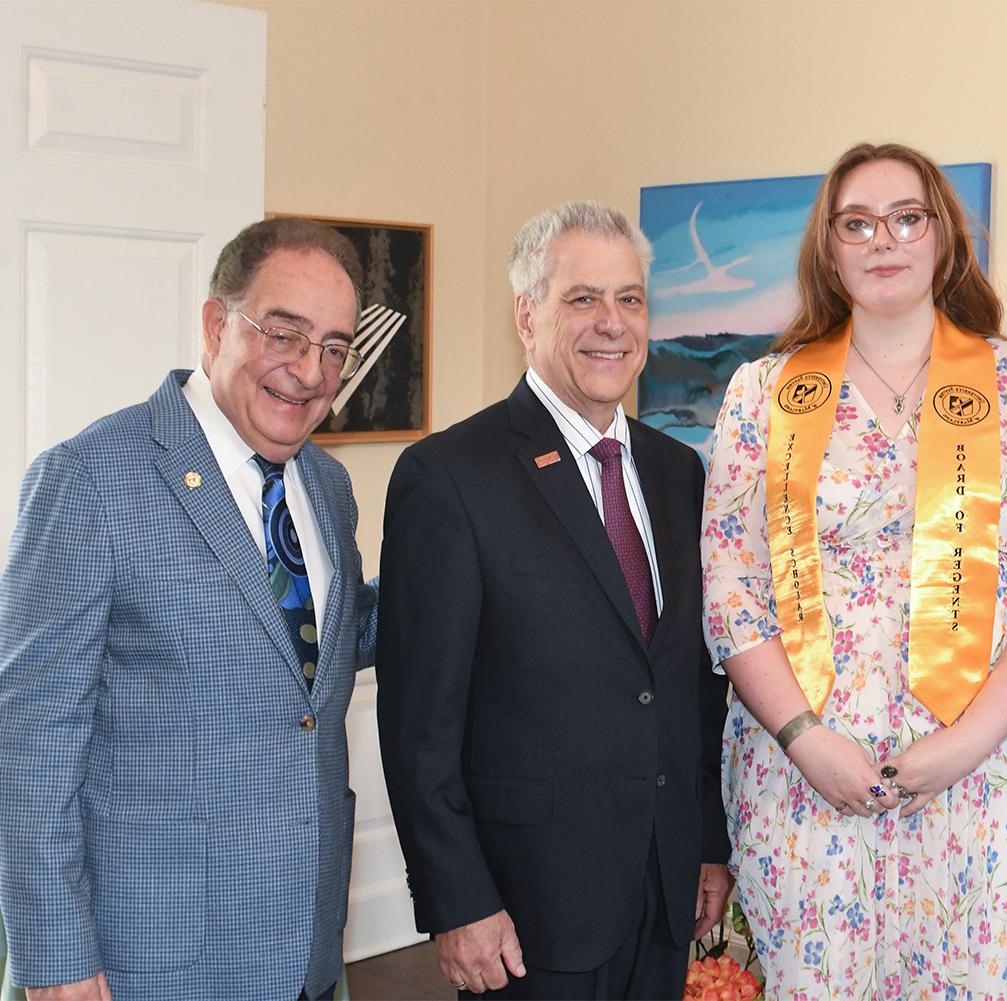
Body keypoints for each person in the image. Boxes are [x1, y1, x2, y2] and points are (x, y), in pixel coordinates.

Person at [701, 142, 1007, 999]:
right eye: (857, 223)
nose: (884, 240)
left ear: (942, 236)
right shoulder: (760, 395)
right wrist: (806, 739)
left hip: (983, 778)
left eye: (906, 217)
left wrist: (964, 745)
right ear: (829, 248)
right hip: (805, 777)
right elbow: (732, 592)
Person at [0, 218, 379, 1001]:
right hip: (147, 961)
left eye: (335, 347)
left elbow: (318, 648)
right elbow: (30, 743)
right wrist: (57, 960)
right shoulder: (89, 479)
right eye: (285, 333)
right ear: (215, 325)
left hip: (306, 948)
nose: (310, 371)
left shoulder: (327, 485)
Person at [377, 202, 731, 998]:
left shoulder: (679, 473)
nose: (612, 324)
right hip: (526, 908)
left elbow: (688, 683)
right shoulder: (449, 477)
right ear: (526, 314)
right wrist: (457, 900)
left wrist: (707, 840)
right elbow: (419, 724)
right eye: (583, 299)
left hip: (663, 890)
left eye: (630, 299)